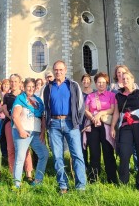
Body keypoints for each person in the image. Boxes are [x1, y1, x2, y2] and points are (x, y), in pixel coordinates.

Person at [42, 60, 86, 194]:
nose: (58, 72)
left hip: (70, 123)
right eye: (56, 70)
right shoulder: (48, 87)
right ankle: (63, 185)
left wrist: (76, 121)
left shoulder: (73, 85)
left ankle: (81, 186)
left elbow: (81, 105)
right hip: (54, 124)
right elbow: (45, 106)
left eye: (61, 70)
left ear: (65, 70)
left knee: (77, 155)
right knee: (57, 156)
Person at [110, 72, 139, 190]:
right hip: (125, 127)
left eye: (128, 78)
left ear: (133, 79)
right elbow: (116, 113)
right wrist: (113, 127)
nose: (125, 80)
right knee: (124, 153)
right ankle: (124, 183)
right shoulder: (118, 96)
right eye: (123, 79)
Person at [11, 78, 48, 189]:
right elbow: (15, 116)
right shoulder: (20, 98)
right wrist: (21, 130)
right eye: (29, 86)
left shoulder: (38, 101)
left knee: (44, 154)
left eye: (33, 86)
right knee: (20, 158)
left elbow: (42, 117)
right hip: (22, 131)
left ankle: (37, 181)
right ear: (24, 87)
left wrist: (42, 132)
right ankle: (16, 185)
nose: (31, 89)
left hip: (36, 133)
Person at [84, 72, 118, 184]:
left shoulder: (111, 95)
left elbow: (112, 109)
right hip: (93, 126)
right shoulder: (90, 96)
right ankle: (93, 179)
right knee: (94, 152)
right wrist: (92, 117)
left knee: (108, 152)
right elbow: (86, 110)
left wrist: (100, 114)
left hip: (106, 126)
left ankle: (112, 179)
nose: (101, 84)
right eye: (99, 82)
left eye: (103, 82)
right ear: (96, 83)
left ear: (107, 83)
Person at [0, 74, 33, 181]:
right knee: (11, 149)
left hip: (23, 124)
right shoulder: (7, 96)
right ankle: (14, 174)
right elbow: (4, 108)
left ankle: (28, 174)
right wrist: (11, 117)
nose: (13, 84)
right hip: (10, 123)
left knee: (25, 149)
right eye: (11, 82)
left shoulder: (24, 95)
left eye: (15, 81)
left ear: (20, 83)